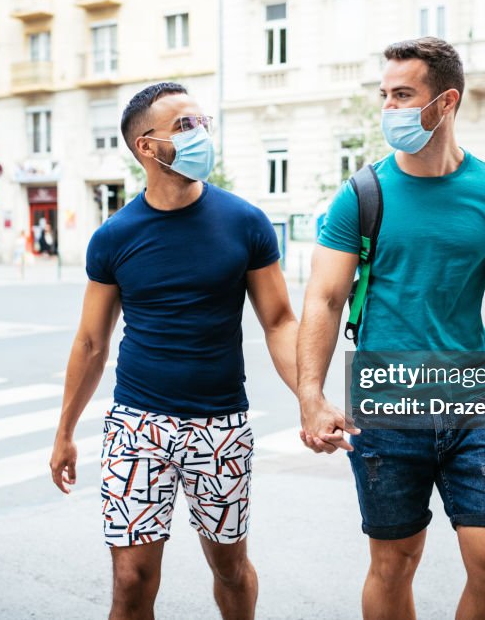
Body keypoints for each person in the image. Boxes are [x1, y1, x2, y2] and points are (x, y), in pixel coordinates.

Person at [296, 37, 485, 620]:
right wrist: (310, 395)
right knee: (394, 562)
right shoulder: (362, 194)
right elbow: (323, 298)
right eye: (385, 96)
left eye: (404, 95)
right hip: (385, 403)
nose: (389, 110)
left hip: (473, 401)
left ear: (445, 102)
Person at [49, 82, 299, 620]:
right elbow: (92, 342)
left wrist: (312, 397)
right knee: (130, 578)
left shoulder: (245, 222)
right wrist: (65, 432)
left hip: (221, 425)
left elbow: (279, 321)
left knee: (229, 568)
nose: (200, 134)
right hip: (138, 425)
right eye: (185, 126)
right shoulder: (114, 236)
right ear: (147, 146)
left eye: (202, 122)